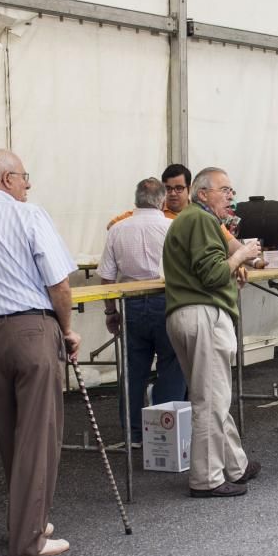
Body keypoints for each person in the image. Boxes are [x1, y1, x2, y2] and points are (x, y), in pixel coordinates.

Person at [0, 149, 81, 556]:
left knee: (10, 432)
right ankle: (28, 538)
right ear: (7, 179)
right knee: (39, 434)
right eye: (24, 176)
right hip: (31, 327)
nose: (28, 184)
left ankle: (30, 520)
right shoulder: (28, 215)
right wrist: (67, 328)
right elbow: (58, 282)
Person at [163, 167, 262, 498]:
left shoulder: (189, 220)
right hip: (204, 314)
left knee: (211, 394)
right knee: (212, 400)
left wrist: (234, 264)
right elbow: (213, 274)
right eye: (225, 190)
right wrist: (241, 255)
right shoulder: (203, 220)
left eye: (231, 191)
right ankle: (206, 479)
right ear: (202, 193)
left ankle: (235, 465)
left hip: (185, 313)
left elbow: (205, 269)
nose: (230, 196)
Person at [98, 178, 186, 448]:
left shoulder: (117, 229)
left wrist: (110, 311)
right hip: (167, 300)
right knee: (172, 366)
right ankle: (163, 434)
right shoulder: (173, 227)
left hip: (131, 303)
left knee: (134, 370)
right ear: (161, 201)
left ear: (136, 199)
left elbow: (106, 278)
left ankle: (133, 434)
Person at [107, 163, 246, 257]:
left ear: (190, 189)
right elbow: (112, 225)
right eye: (168, 188)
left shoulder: (204, 215)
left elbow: (232, 245)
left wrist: (255, 260)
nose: (173, 193)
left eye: (179, 188)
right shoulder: (153, 212)